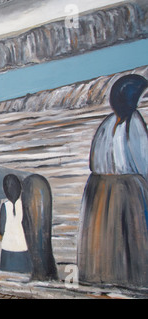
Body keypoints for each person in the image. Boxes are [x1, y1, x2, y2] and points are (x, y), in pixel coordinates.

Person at [78, 74, 148, 287]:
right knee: (129, 236)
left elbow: (94, 160)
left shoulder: (106, 123)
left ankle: (104, 278)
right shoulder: (133, 122)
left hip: (99, 189)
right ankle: (130, 280)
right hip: (127, 189)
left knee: (105, 238)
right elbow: (142, 160)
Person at [0, 174, 32, 274]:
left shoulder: (5, 206)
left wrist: (1, 236)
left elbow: (1, 229)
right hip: (23, 247)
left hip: (7, 249)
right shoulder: (25, 205)